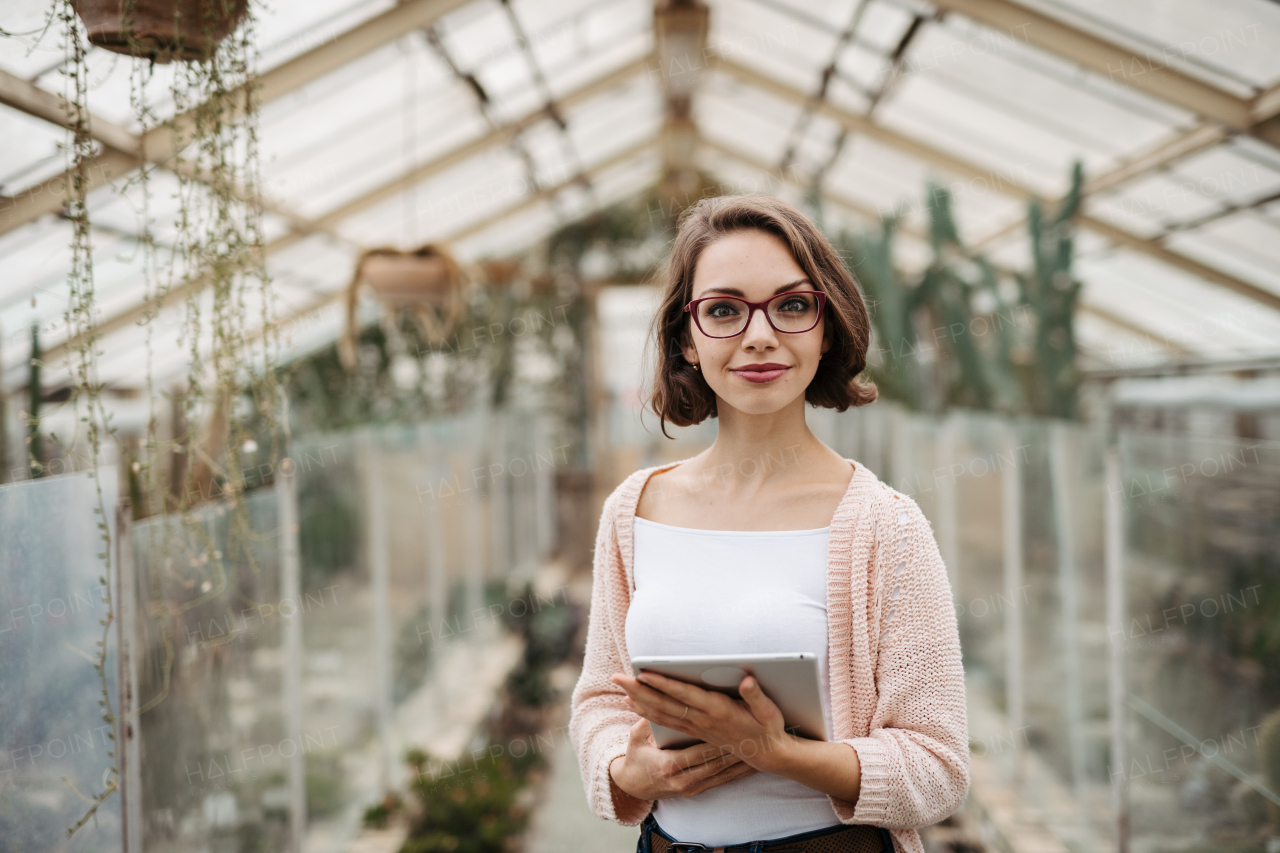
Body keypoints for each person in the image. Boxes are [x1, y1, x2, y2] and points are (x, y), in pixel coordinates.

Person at [569, 195, 968, 853]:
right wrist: (627, 768)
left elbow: (939, 762)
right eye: (724, 310)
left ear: (826, 329)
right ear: (687, 341)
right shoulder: (633, 510)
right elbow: (599, 706)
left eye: (791, 305)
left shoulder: (884, 526)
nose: (759, 334)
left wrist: (776, 752)